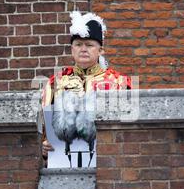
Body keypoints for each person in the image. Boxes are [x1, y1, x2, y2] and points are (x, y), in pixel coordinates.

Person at [41, 11, 131, 165]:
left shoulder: (119, 83)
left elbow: (127, 132)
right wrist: (42, 147)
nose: (83, 49)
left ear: (101, 50)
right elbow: (43, 130)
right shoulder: (54, 83)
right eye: (78, 44)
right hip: (62, 165)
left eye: (89, 45)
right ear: (71, 49)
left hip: (108, 164)